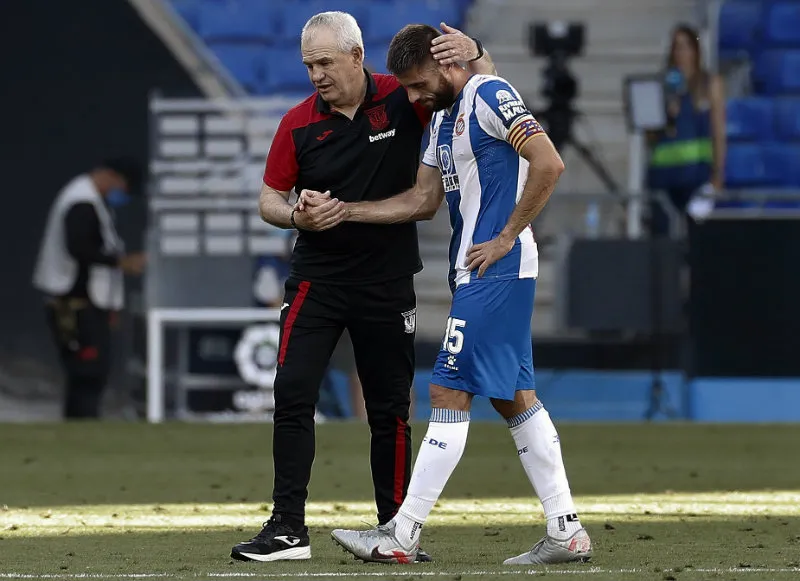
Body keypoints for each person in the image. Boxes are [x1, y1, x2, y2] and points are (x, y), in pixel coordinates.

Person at [303, 23, 592, 565]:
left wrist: (506, 235)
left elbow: (549, 162)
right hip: (472, 272)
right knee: (515, 398)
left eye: (417, 84)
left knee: (446, 392)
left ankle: (402, 533)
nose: (412, 96)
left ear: (446, 65)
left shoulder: (488, 93)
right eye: (407, 89)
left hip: (496, 270)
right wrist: (346, 212)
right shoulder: (441, 121)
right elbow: (421, 199)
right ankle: (565, 529)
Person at [230, 11, 496, 563]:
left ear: (356, 56)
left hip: (386, 281)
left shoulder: (408, 97)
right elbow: (268, 200)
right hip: (316, 282)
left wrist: (475, 54)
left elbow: (479, 96)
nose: (316, 76)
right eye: (308, 66)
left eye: (325, 62)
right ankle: (286, 529)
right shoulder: (297, 123)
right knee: (292, 395)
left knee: (389, 409)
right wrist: (297, 216)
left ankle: (396, 531)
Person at [32, 158, 146, 419]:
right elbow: (79, 247)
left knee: (91, 370)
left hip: (89, 301)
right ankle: (81, 421)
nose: (122, 195)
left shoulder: (92, 201)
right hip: (75, 302)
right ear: (109, 176)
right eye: (123, 187)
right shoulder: (80, 202)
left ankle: (82, 421)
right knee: (87, 368)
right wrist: (119, 262)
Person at [647, 24, 726, 236]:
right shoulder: (662, 84)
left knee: (697, 238)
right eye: (677, 47)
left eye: (686, 46)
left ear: (696, 50)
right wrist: (666, 113)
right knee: (663, 238)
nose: (681, 53)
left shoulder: (709, 84)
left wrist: (718, 174)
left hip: (696, 175)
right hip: (663, 175)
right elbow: (650, 136)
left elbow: (718, 131)